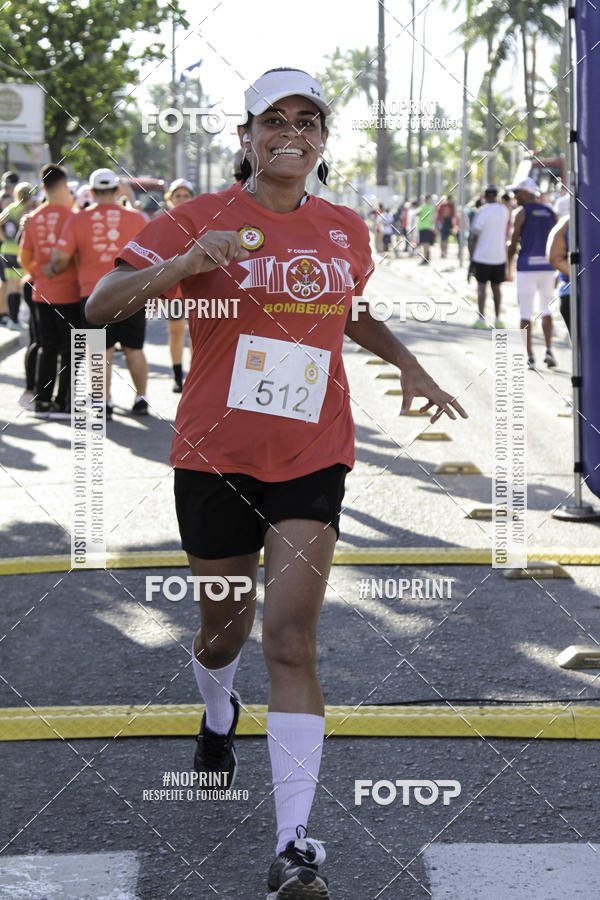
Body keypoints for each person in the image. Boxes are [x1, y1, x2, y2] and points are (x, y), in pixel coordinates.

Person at [86, 67, 467, 899]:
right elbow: (99, 304)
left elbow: (351, 309)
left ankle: (295, 845)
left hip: (313, 455)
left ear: (324, 139)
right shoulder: (193, 217)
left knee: (290, 641)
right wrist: (187, 260)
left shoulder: (343, 229)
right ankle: (217, 714)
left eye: (308, 120)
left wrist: (408, 365)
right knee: (223, 633)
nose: (291, 133)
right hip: (214, 459)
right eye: (274, 120)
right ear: (247, 134)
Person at [51, 168, 148, 419]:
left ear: (92, 192)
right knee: (133, 348)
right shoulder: (137, 218)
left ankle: (103, 403)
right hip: (132, 291)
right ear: (117, 191)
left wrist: (52, 270)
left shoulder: (77, 219)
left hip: (94, 293)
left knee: (100, 349)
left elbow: (60, 258)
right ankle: (141, 398)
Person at [18, 164, 80, 418]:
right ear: (65, 186)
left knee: (46, 345)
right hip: (71, 293)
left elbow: (24, 260)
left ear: (42, 188)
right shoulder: (74, 218)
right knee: (70, 348)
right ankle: (62, 401)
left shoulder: (34, 218)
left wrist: (41, 273)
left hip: (41, 292)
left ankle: (41, 399)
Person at [507, 176, 557, 369]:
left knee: (525, 312)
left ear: (527, 192)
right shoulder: (550, 212)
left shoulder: (521, 213)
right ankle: (548, 349)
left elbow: (513, 241)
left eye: (517, 192)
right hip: (547, 268)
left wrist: (508, 265)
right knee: (546, 309)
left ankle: (529, 356)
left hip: (526, 268)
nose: (514, 196)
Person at [163, 178, 195, 392]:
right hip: (174, 287)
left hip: (197, 288)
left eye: (185, 195)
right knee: (175, 332)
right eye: (177, 195)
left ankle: (195, 375)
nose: (181, 199)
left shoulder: (202, 220)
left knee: (196, 333)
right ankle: (177, 377)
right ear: (170, 199)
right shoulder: (164, 222)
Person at [468, 186, 509, 328]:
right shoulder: (504, 210)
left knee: (481, 288)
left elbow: (474, 236)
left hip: (482, 256)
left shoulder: (482, 212)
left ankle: (481, 319)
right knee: (497, 288)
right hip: (499, 256)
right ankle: (498, 319)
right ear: (496, 196)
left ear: (485, 197)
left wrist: (471, 257)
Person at [0, 182, 36, 330]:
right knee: (22, 286)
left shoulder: (9, 209)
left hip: (6, 250)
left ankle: (13, 319)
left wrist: (4, 239)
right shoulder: (29, 211)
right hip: (21, 251)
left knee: (11, 286)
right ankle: (26, 320)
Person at [547, 215, 571, 335]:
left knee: (584, 349)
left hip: (570, 291)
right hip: (571, 292)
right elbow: (555, 258)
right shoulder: (567, 222)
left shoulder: (567, 221)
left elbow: (554, 258)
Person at [416, 193, 435, 264]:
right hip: (428, 226)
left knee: (424, 243)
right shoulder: (432, 207)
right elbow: (434, 217)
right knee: (426, 243)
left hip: (422, 226)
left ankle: (425, 258)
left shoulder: (422, 207)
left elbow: (416, 213)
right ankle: (427, 257)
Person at [435, 194, 455, 259]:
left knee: (446, 239)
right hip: (442, 223)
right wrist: (436, 224)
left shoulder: (451, 205)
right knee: (443, 238)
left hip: (448, 223)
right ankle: (442, 252)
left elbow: (453, 215)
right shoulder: (442, 205)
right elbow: (438, 215)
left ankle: (445, 252)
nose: (449, 201)